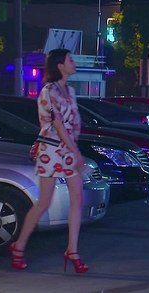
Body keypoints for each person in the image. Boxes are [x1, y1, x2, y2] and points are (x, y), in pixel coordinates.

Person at [8, 48, 89, 273]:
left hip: (68, 149)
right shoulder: (48, 90)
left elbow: (73, 123)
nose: (74, 62)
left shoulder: (70, 91)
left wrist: (73, 148)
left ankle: (72, 250)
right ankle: (19, 246)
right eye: (70, 59)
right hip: (52, 149)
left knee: (77, 198)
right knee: (44, 201)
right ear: (60, 65)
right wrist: (75, 151)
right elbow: (57, 123)